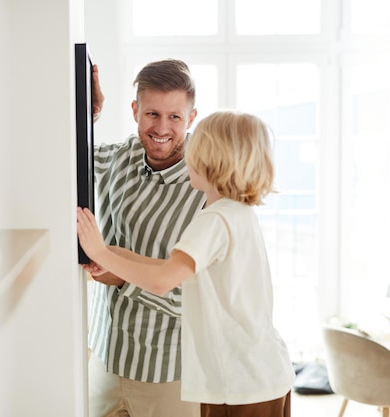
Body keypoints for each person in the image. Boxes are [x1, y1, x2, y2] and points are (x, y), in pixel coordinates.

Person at [78, 110, 295, 417]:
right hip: (259, 374)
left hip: (240, 384)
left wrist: (100, 253)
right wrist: (117, 256)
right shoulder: (236, 213)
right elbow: (168, 265)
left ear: (211, 161)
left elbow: (163, 280)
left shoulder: (214, 221)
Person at [87, 59, 205, 417]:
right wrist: (83, 117)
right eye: (152, 113)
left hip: (169, 376)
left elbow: (198, 297)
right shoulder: (117, 160)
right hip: (106, 360)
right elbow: (57, 161)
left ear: (192, 117)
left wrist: (123, 276)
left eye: (175, 117)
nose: (162, 128)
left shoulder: (208, 189)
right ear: (135, 110)